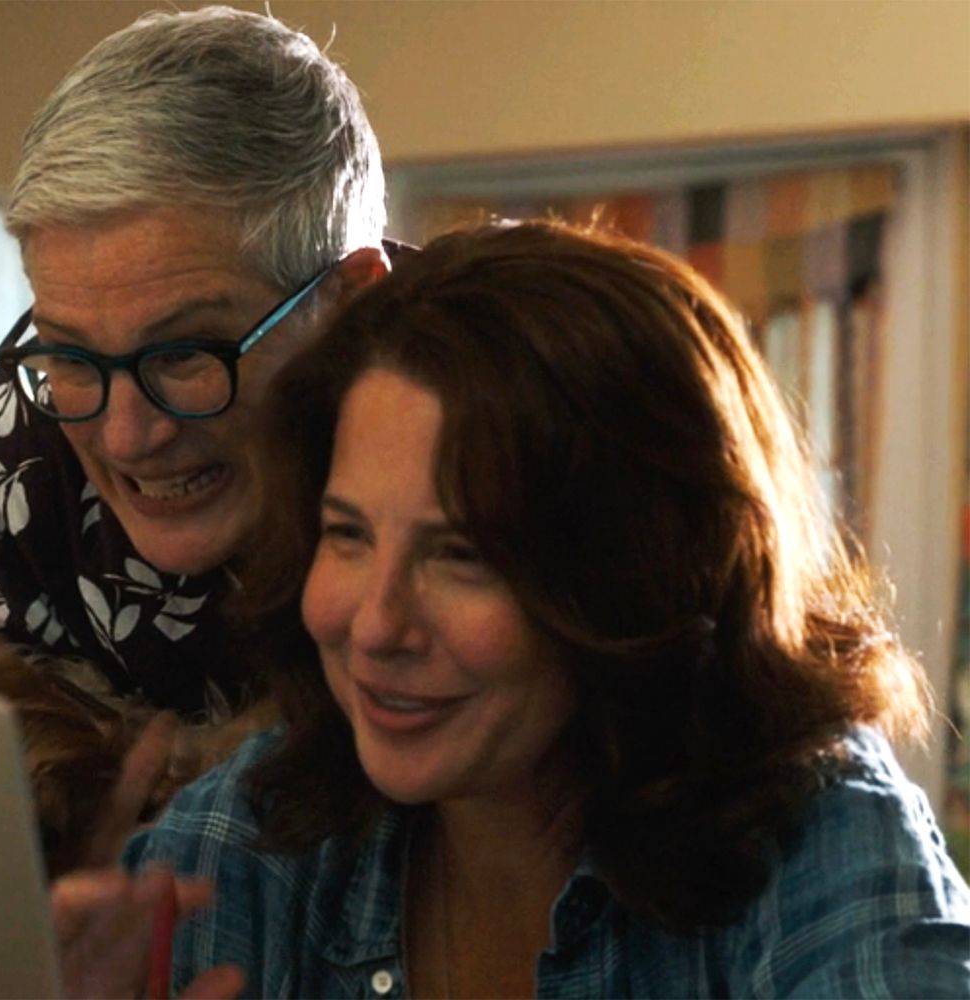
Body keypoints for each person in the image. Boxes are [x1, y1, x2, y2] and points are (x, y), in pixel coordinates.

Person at [53, 221, 970, 998]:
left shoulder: (818, 841)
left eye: (462, 556)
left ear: (637, 575)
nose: (376, 627)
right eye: (348, 535)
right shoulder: (233, 850)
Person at [0, 6, 392, 717]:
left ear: (350, 305)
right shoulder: (4, 464)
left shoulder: (501, 412)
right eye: (73, 356)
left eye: (181, 354)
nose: (125, 437)